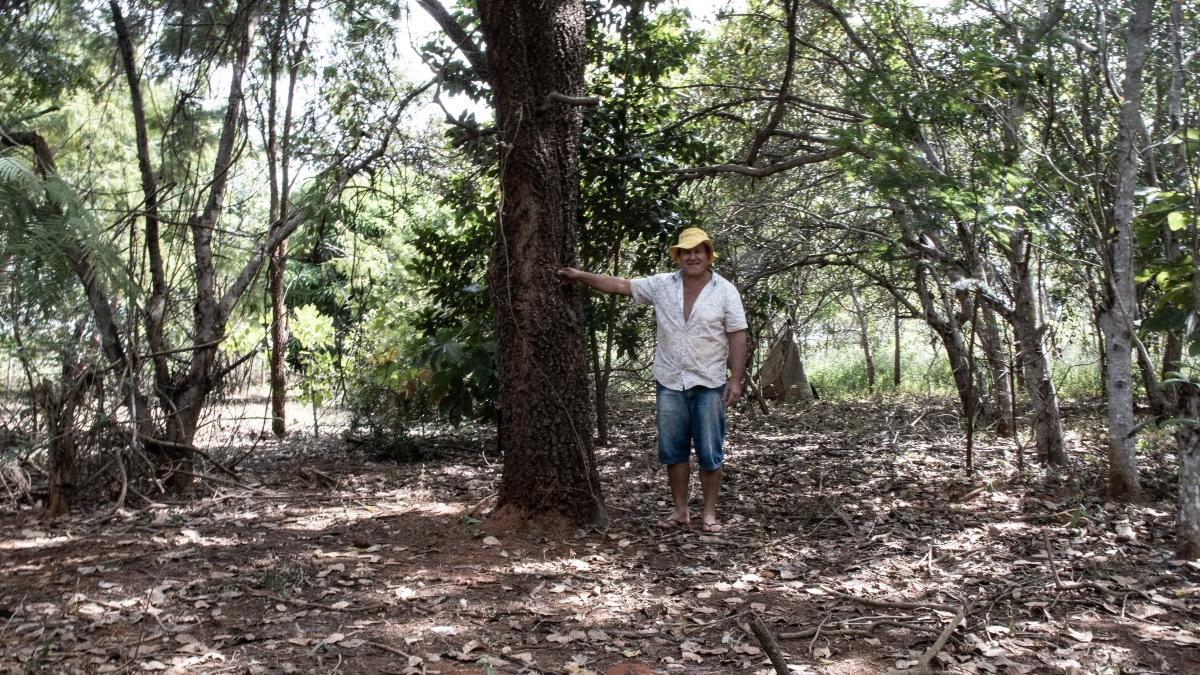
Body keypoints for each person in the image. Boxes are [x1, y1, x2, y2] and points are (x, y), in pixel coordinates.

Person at [559, 227, 747, 533]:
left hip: (709, 382)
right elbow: (619, 285)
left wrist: (735, 380)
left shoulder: (725, 291)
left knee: (710, 452)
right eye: (686, 252)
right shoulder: (662, 285)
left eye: (698, 251)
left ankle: (709, 513)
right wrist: (580, 276)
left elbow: (737, 334)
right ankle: (681, 511)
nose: (692, 257)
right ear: (678, 256)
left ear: (708, 255)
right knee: (673, 451)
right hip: (670, 380)